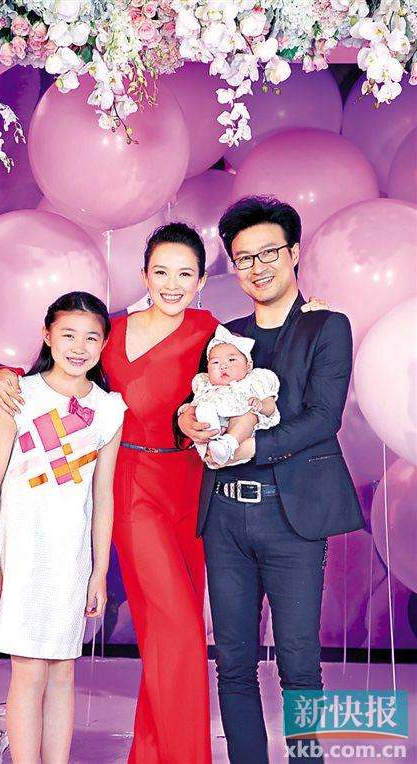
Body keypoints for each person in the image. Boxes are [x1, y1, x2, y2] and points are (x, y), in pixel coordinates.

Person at [0, 222, 328, 763]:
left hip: (194, 491)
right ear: (144, 275)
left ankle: (151, 755)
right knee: (180, 633)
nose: (173, 284)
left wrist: (311, 315)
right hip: (130, 485)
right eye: (162, 272)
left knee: (166, 634)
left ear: (202, 281)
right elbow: (59, 365)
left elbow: (263, 357)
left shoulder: (210, 331)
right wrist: (5, 375)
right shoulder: (112, 331)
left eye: (186, 274)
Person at [178, 196, 365, 764]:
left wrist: (249, 445)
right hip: (225, 519)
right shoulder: (224, 336)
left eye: (268, 253)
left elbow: (323, 418)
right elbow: (192, 401)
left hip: (293, 520)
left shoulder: (327, 326)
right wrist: (185, 419)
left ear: (294, 252)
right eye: (244, 259)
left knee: (299, 665)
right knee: (232, 664)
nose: (257, 268)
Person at [0, 291, 126, 763]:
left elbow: (103, 495)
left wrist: (99, 571)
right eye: (68, 335)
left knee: (63, 670)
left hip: (70, 558)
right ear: (47, 335)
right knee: (29, 670)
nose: (79, 347)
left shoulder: (110, 409)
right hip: (21, 553)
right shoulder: (20, 394)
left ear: (104, 344)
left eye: (91, 338)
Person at [188, 323, 280, 467]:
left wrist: (261, 405)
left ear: (248, 366)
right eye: (215, 362)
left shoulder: (253, 382)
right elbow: (195, 404)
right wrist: (189, 408)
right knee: (203, 408)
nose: (223, 366)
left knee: (248, 416)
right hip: (213, 433)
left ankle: (227, 444)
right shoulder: (206, 386)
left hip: (240, 441)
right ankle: (211, 444)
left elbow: (271, 407)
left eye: (231, 360)